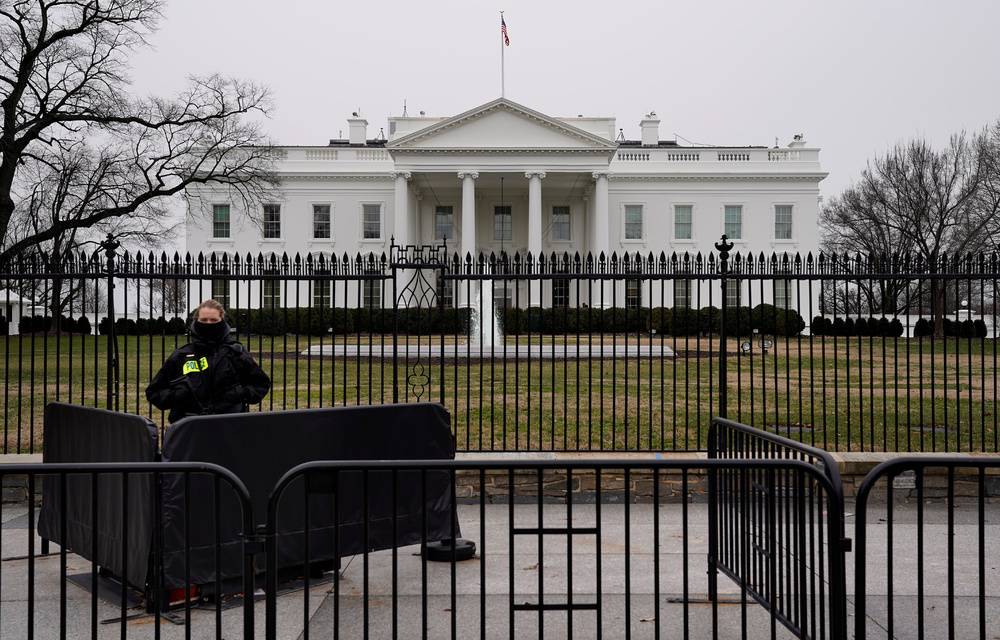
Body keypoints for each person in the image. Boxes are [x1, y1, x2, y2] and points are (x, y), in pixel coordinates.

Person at [146, 300, 270, 423]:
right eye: (204, 320)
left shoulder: (235, 353)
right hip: (190, 426)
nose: (208, 324)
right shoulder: (181, 356)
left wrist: (239, 393)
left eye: (214, 320)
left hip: (230, 425)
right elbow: (154, 392)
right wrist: (177, 395)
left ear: (222, 321)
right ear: (196, 321)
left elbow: (261, 384)